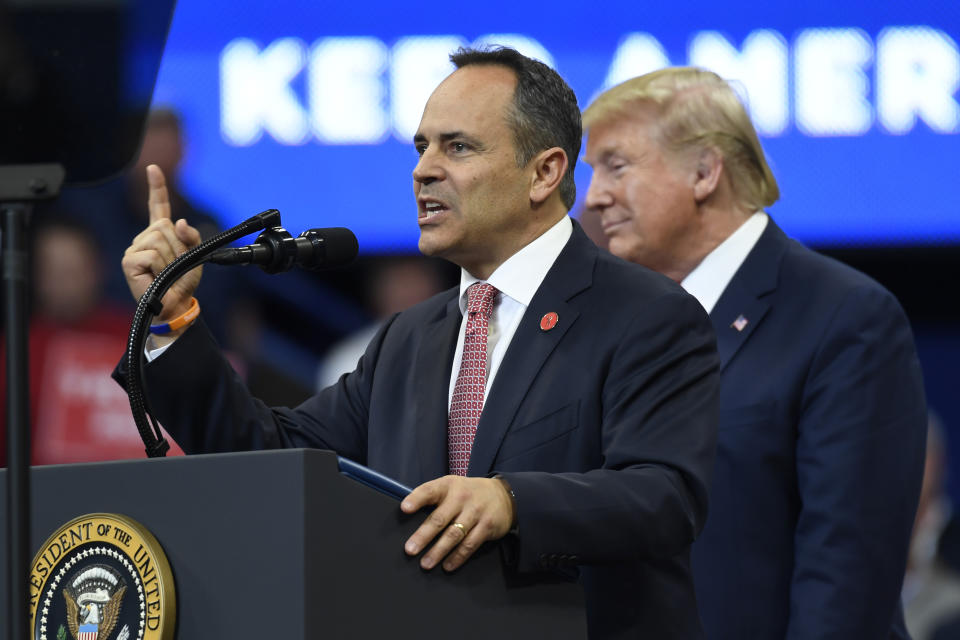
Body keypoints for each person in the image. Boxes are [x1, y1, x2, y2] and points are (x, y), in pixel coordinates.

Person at [116, 48, 720, 638]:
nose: (424, 169)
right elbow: (274, 456)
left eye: (457, 147)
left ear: (545, 172)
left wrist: (512, 501)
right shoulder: (407, 338)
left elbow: (664, 496)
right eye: (421, 146)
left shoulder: (647, 315)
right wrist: (174, 321)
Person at [581, 67, 927, 639]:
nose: (594, 198)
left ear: (704, 171)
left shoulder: (845, 316)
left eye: (616, 165)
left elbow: (848, 571)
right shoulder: (618, 327)